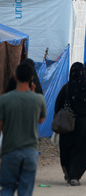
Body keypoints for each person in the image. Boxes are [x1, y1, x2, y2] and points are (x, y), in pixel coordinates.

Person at [0, 63, 46, 196]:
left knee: (7, 188)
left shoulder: (4, 100)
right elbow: (41, 119)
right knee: (25, 191)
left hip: (10, 151)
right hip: (30, 152)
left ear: (15, 77)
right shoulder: (38, 99)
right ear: (31, 78)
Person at [55, 62, 86, 186]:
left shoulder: (66, 88)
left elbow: (57, 106)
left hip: (67, 124)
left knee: (67, 148)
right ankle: (76, 176)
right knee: (83, 150)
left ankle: (69, 173)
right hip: (83, 124)